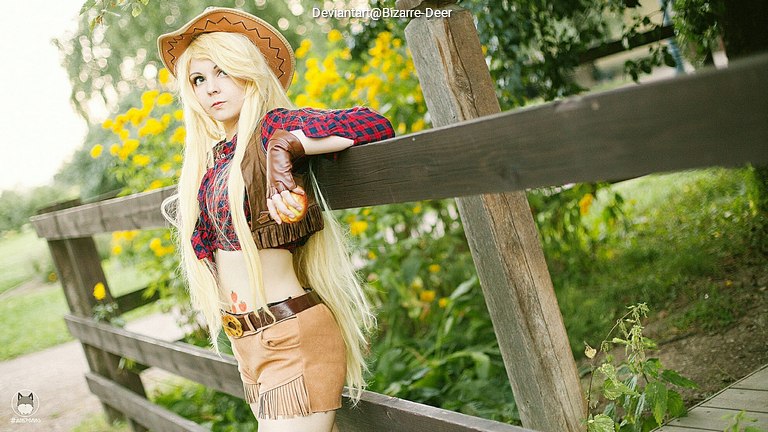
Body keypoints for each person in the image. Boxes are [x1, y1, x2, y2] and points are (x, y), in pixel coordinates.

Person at [157, 7, 395, 431]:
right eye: (199, 79)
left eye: (222, 72)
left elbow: (373, 124)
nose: (211, 88)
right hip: (247, 344)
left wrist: (287, 146)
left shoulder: (272, 127)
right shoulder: (214, 161)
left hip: (290, 337)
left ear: (248, 72)